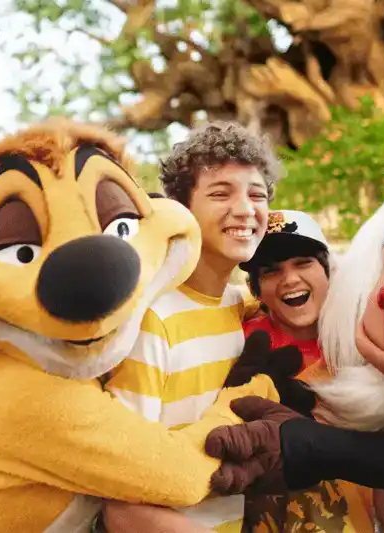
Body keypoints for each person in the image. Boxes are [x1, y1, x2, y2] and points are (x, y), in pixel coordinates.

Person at [102, 121, 281, 533]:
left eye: (257, 194)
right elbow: (121, 497)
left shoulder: (246, 309)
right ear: (181, 211)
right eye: (221, 193)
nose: (245, 208)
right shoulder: (150, 320)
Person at [237, 210, 384, 533]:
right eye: (271, 271)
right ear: (256, 290)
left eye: (303, 263)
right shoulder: (236, 343)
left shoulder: (365, 343)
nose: (290, 279)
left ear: (329, 270)